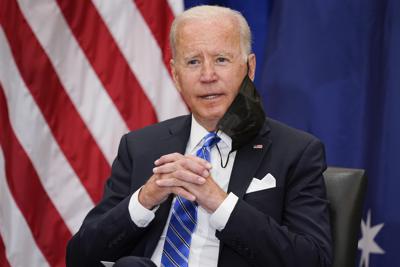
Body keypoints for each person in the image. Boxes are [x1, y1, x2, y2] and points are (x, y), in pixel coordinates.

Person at [66, 5, 332, 267]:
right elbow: (80, 256)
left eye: (221, 60)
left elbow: (313, 259)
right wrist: (145, 198)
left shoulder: (296, 151)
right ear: (176, 75)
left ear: (249, 68)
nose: (208, 76)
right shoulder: (140, 147)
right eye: (193, 62)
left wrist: (218, 202)